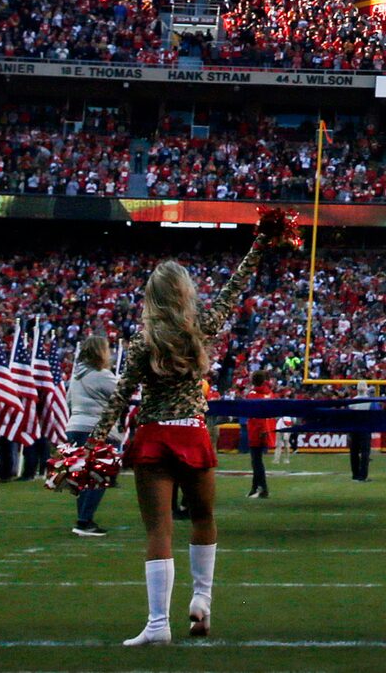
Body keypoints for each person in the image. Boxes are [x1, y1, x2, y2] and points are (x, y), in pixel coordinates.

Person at [103, 218, 281, 646]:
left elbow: (120, 396)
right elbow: (233, 290)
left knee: (159, 530)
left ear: (152, 296)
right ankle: (201, 600)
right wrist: (258, 245)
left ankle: (158, 624)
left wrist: (91, 444)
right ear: (184, 294)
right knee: (203, 517)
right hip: (192, 433)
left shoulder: (143, 341)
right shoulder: (200, 327)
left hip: (153, 437)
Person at [63, 332, 118, 537]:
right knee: (99, 476)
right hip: (96, 428)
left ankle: (83, 518)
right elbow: (121, 393)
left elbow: (68, 401)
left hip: (75, 426)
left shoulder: (77, 376)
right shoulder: (102, 375)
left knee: (84, 477)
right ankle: (84, 521)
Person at [242, 372, 275, 501]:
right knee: (257, 460)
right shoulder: (269, 394)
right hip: (267, 430)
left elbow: (252, 414)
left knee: (256, 461)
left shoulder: (252, 395)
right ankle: (255, 488)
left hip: (256, 430)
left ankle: (262, 488)